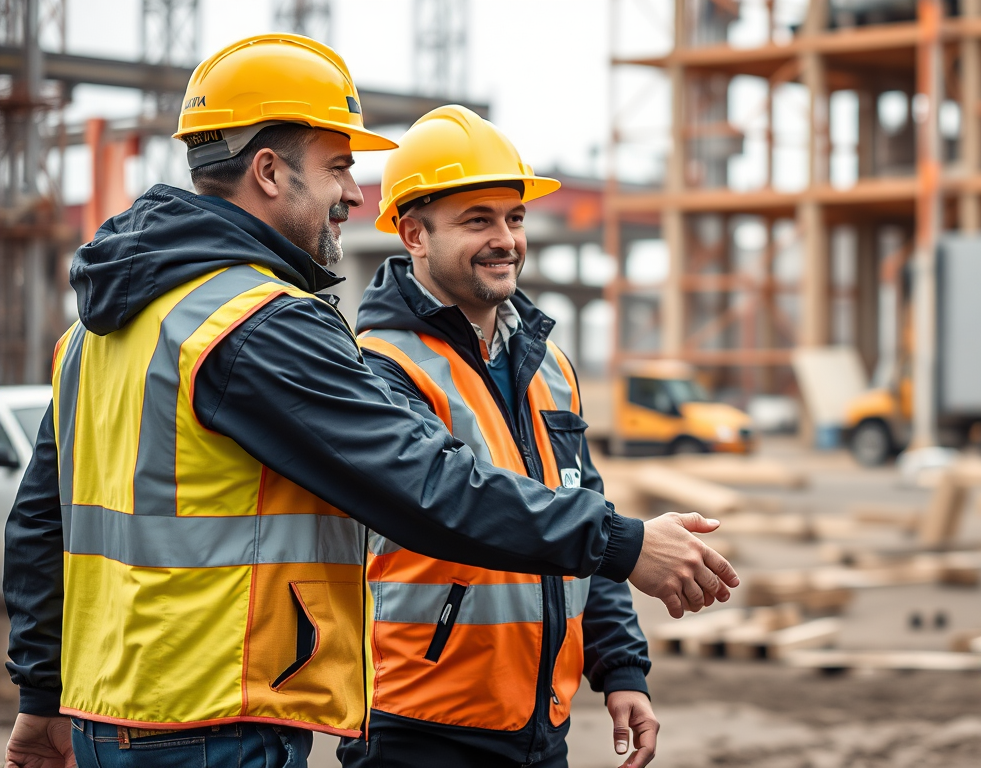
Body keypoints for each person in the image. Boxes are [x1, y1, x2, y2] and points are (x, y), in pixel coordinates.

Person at [4, 34, 736, 768]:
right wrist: (625, 543)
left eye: (512, 217)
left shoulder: (97, 333)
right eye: (338, 167)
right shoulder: (257, 323)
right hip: (217, 718)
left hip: (116, 713)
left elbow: (40, 524)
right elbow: (423, 486)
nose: (354, 192)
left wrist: (41, 695)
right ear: (267, 171)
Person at [334, 106, 655, 768]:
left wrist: (621, 667)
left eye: (514, 218)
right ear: (414, 233)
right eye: (478, 220)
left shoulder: (549, 365)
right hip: (418, 725)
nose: (505, 238)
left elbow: (580, 509)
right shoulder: (378, 369)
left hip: (539, 724)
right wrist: (635, 545)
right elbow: (447, 502)